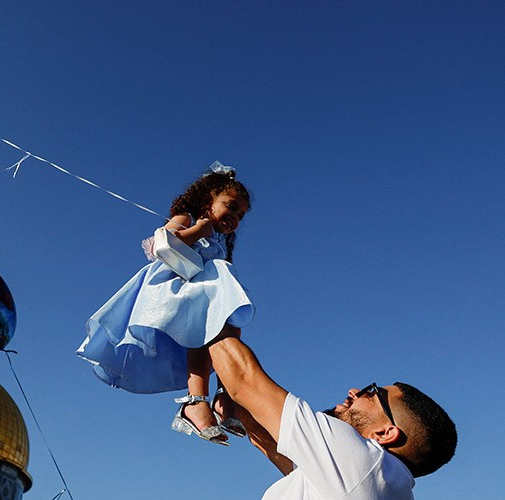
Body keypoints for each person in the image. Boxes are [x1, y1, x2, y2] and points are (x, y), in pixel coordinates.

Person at [77, 162, 255, 445]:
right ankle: (195, 401)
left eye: (240, 215)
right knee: (200, 335)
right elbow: (162, 243)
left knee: (229, 331)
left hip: (203, 292)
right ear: (208, 199)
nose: (235, 218)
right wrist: (199, 229)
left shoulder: (219, 243)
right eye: (231, 207)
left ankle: (224, 395)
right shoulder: (190, 218)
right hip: (177, 286)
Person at [207, 326, 458, 499]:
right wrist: (233, 404)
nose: (354, 392)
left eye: (372, 393)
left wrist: (207, 297)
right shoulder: (382, 486)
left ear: (385, 433)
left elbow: (244, 379)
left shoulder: (364, 465)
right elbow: (270, 442)